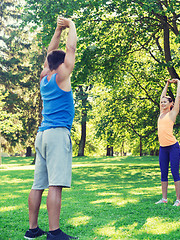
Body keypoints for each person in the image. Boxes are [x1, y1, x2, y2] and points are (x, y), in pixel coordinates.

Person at [24, 17, 78, 240]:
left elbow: (51, 51)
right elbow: (71, 47)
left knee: (38, 185)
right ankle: (54, 233)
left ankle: (33, 229)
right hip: (56, 135)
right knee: (55, 185)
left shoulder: (44, 76)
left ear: (49, 63)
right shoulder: (61, 75)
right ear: (62, 63)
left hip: (42, 135)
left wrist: (58, 29)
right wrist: (71, 25)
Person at [155, 78, 180, 206]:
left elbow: (178, 97)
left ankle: (178, 200)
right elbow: (162, 95)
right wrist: (166, 84)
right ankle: (164, 198)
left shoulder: (172, 113)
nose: (162, 103)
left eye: (165, 102)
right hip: (163, 148)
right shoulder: (161, 113)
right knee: (163, 173)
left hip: (173, 147)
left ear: (170, 104)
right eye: (161, 102)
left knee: (175, 172)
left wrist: (178, 84)